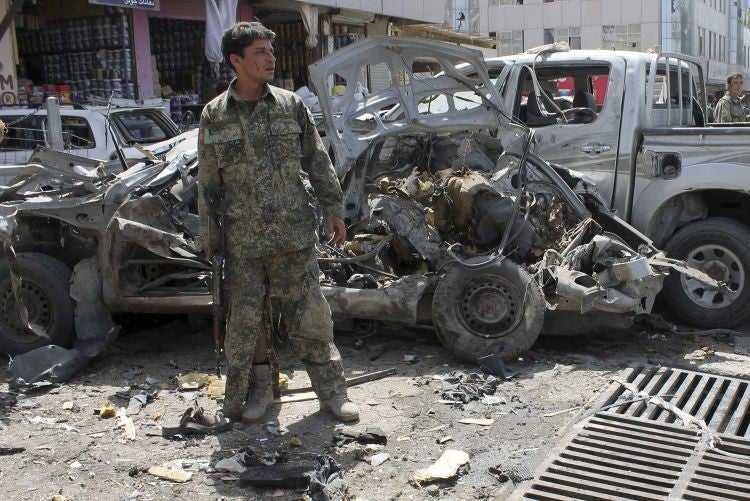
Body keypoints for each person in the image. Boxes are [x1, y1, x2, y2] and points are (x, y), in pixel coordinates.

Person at [197, 21, 359, 423]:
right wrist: (209, 236)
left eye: (271, 51)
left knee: (311, 317)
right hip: (244, 241)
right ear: (236, 61)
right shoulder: (215, 115)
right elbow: (207, 184)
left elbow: (318, 161)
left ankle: (332, 393)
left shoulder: (291, 105)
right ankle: (260, 392)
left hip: (293, 234)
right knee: (249, 322)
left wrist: (334, 209)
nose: (270, 58)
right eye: (260, 53)